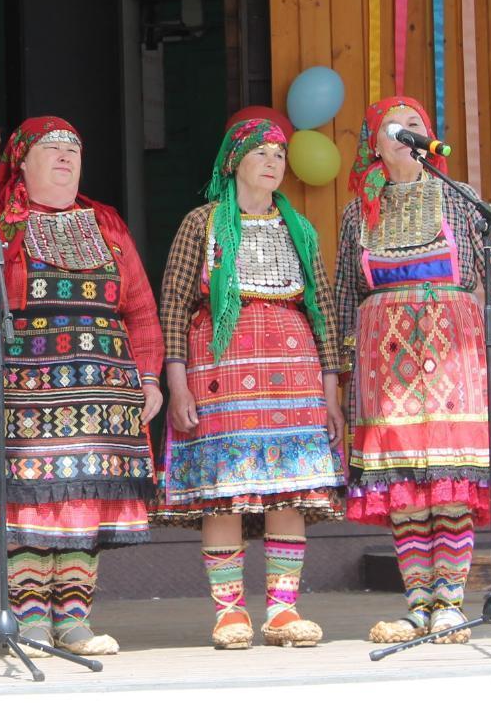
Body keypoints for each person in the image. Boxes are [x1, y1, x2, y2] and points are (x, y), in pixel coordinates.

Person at [336, 96, 491, 645]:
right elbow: (347, 298)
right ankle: (418, 605)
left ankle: (451, 603)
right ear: (375, 143)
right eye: (394, 126)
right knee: (406, 491)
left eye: (416, 123)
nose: (406, 131)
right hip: (383, 364)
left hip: (455, 356)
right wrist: (341, 378)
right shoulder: (356, 215)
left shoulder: (462, 201)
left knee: (449, 485)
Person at [0, 116, 162, 657]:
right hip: (24, 389)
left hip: (103, 389)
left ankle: (74, 618)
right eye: (52, 147)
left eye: (74, 147)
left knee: (84, 498)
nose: (67, 156)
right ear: (21, 160)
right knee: (30, 502)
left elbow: (140, 307)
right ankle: (32, 617)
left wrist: (150, 376)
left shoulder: (108, 225)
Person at [156, 117, 346, 649]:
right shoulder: (204, 223)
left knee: (288, 488)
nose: (273, 162)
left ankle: (284, 611)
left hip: (294, 373)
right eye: (261, 152)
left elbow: (324, 314)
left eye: (280, 155)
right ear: (234, 160)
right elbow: (173, 306)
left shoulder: (300, 229)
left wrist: (330, 395)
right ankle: (230, 612)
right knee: (226, 493)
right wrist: (177, 385)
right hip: (220, 372)